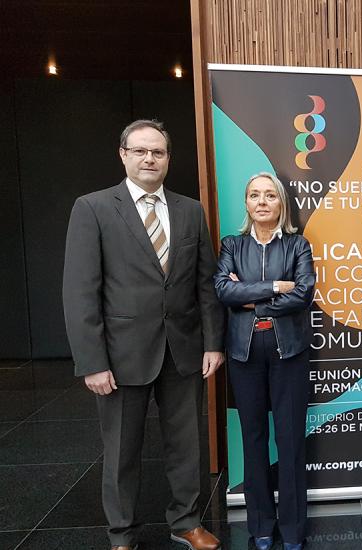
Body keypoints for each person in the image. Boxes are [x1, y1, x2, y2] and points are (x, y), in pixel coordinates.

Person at [63, 120, 225, 550]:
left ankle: (187, 522)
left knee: (187, 444)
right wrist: (92, 362)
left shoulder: (190, 210)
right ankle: (122, 535)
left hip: (185, 349)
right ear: (123, 155)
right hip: (120, 356)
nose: (149, 159)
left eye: (157, 152)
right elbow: (81, 292)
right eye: (140, 151)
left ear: (168, 158)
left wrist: (213, 342)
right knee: (121, 452)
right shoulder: (93, 208)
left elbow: (204, 283)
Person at [214, 172, 315, 550]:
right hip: (244, 354)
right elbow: (223, 289)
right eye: (254, 194)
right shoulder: (231, 245)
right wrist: (274, 288)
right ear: (246, 203)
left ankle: (292, 530)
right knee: (253, 439)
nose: (262, 201)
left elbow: (303, 294)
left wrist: (248, 297)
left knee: (289, 441)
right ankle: (260, 524)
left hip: (288, 352)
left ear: (281, 204)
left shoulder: (297, 246)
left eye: (270, 195)